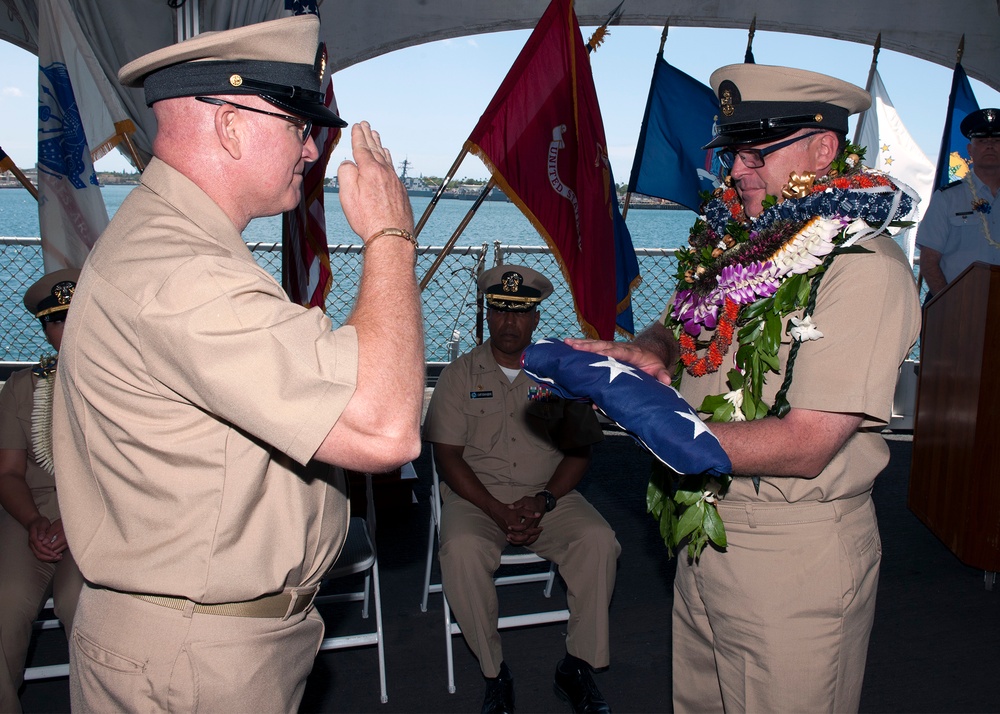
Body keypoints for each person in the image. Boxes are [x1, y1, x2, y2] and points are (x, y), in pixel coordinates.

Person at [51, 15, 424, 713]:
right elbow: (385, 427)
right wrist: (389, 234)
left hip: (205, 638)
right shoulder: (181, 272)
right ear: (229, 125)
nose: (313, 150)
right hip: (194, 661)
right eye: (298, 126)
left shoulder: (176, 246)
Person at [567, 64, 921, 713]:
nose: (736, 171)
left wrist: (645, 417)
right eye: (732, 152)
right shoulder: (744, 245)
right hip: (705, 536)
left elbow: (808, 443)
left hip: (793, 554)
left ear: (823, 148)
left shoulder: (861, 269)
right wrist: (650, 350)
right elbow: (681, 323)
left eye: (758, 152)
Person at [424, 264, 619, 714]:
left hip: (548, 496)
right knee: (461, 551)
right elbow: (447, 457)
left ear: (535, 319)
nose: (508, 322)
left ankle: (577, 665)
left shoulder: (559, 376)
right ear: (487, 315)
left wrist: (544, 500)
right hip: (477, 499)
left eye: (519, 313)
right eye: (499, 311)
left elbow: (578, 454)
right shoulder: (458, 376)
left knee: (599, 542)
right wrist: (495, 509)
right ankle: (495, 673)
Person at [0, 270, 85, 713]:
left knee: (81, 606)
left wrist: (74, 523)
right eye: (55, 320)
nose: (65, 330)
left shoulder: (129, 386)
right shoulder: (21, 388)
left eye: (75, 315)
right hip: (31, 512)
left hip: (99, 513)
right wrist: (34, 522)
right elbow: (9, 472)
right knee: (3, 605)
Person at [917, 108, 1000, 298]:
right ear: (970, 150)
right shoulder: (947, 198)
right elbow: (929, 261)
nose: (989, 146)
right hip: (959, 305)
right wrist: (947, 305)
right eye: (982, 141)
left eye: (996, 141)